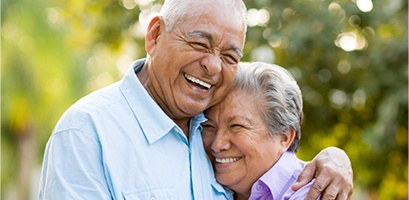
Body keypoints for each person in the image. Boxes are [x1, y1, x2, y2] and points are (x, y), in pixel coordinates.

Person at [38, 0, 353, 199]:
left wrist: (335, 158)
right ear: (155, 35)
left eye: (229, 55)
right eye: (200, 43)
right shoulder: (87, 132)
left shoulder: (213, 133)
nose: (213, 66)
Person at [202, 62, 340, 199]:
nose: (217, 144)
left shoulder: (311, 194)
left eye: (237, 126)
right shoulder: (204, 181)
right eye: (209, 126)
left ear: (284, 137)